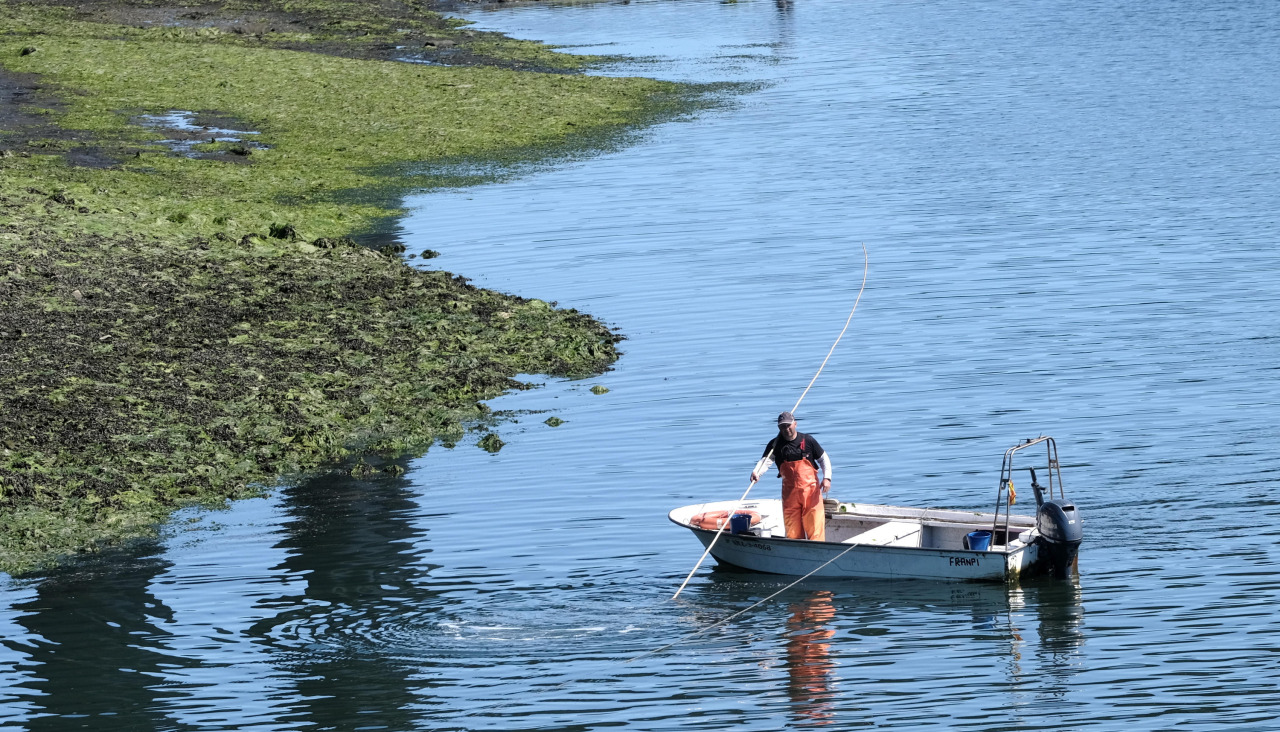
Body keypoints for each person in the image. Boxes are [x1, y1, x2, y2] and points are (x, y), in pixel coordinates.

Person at [750, 411, 832, 541]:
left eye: (788, 425)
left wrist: (827, 478)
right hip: (790, 495)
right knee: (793, 533)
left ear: (795, 424)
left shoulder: (808, 440)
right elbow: (766, 461)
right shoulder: (775, 445)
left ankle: (816, 551)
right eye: (783, 426)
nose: (786, 429)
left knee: (815, 528)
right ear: (779, 428)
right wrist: (756, 472)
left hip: (810, 493)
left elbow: (824, 459)